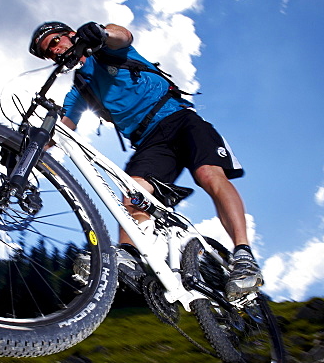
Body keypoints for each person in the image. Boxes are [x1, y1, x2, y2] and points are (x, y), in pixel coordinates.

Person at [28, 20, 263, 300]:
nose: (55, 52)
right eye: (48, 52)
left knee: (209, 175)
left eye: (55, 42)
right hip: (151, 144)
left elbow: (122, 36)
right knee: (134, 195)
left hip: (179, 119)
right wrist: (29, 146)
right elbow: (66, 126)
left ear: (71, 35)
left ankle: (243, 255)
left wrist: (99, 34)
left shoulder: (105, 48)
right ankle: (128, 255)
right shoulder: (80, 87)